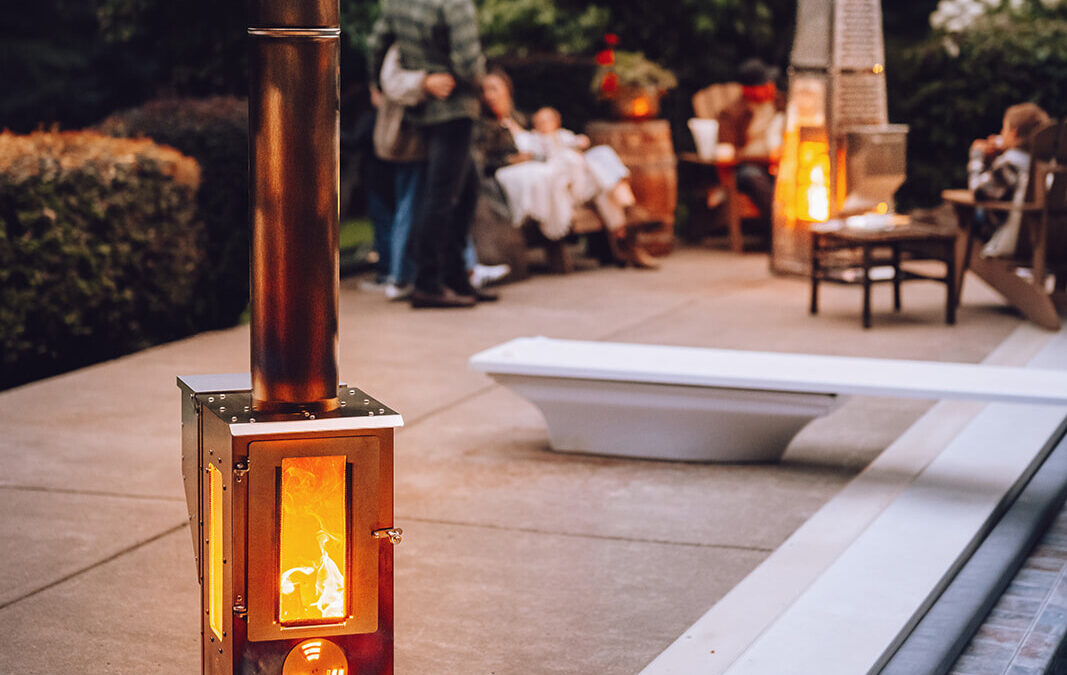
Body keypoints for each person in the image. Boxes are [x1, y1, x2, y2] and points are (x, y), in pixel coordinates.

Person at [368, 0, 491, 309]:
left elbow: (376, 44)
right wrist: (480, 84)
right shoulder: (455, 5)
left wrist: (376, 83)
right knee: (442, 197)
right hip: (456, 107)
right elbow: (468, 65)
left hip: (424, 110)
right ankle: (428, 282)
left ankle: (454, 276)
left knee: (465, 191)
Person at [474, 69, 658, 268]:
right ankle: (629, 219)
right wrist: (515, 160)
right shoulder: (484, 126)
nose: (489, 95)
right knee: (594, 167)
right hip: (552, 175)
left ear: (507, 91)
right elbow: (487, 159)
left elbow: (540, 144)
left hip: (563, 172)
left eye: (493, 89)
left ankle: (625, 242)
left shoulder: (519, 119)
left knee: (601, 160)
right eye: (484, 90)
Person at [967, 102, 1050, 258]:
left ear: (1013, 134)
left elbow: (977, 190)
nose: (1000, 133)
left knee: (965, 215)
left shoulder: (1010, 163)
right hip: (1040, 244)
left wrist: (977, 157)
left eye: (1003, 129)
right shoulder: (1043, 164)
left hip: (1008, 242)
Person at [715, 58, 785, 223]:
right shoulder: (732, 114)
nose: (771, 87)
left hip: (780, 165)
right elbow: (725, 155)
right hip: (748, 169)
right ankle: (778, 224)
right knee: (752, 175)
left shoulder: (780, 103)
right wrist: (761, 158)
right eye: (765, 84)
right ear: (749, 90)